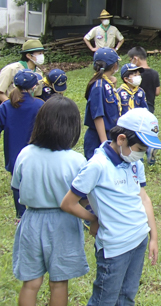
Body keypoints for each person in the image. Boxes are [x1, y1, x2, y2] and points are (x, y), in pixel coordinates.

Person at [61, 108, 161, 305]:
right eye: (141, 149)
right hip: (115, 248)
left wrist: (153, 237)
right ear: (122, 139)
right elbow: (69, 203)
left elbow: (144, 199)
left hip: (139, 238)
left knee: (127, 296)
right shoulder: (97, 165)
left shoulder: (134, 162)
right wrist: (94, 218)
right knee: (104, 300)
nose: (142, 155)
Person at [11, 96, 89, 306]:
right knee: (59, 282)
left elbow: (16, 185)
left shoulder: (25, 153)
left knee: (31, 282)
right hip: (64, 223)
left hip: (32, 220)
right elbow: (83, 197)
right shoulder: (76, 160)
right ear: (72, 127)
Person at [0, 70, 45, 220]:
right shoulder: (39, 105)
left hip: (14, 153)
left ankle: (20, 215)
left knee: (17, 183)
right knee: (37, 181)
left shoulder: (6, 106)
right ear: (33, 87)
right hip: (35, 153)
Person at [83, 48, 121, 160]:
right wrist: (104, 143)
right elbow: (98, 116)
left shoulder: (106, 83)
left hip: (110, 135)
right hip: (98, 138)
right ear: (114, 65)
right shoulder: (98, 86)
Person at [128, 46, 160, 114]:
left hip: (136, 107)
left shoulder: (135, 76)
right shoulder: (155, 73)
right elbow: (157, 92)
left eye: (131, 60)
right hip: (150, 108)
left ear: (135, 58)